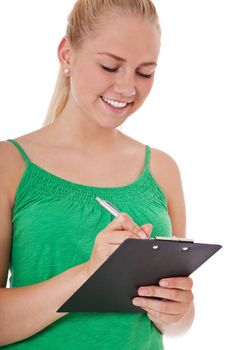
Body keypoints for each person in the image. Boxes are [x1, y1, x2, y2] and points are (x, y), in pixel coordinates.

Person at [0, 0, 194, 349]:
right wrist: (90, 273)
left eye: (145, 72)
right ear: (67, 55)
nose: (127, 88)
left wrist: (178, 312)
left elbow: (175, 324)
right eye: (109, 66)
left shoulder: (162, 169)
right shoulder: (8, 165)